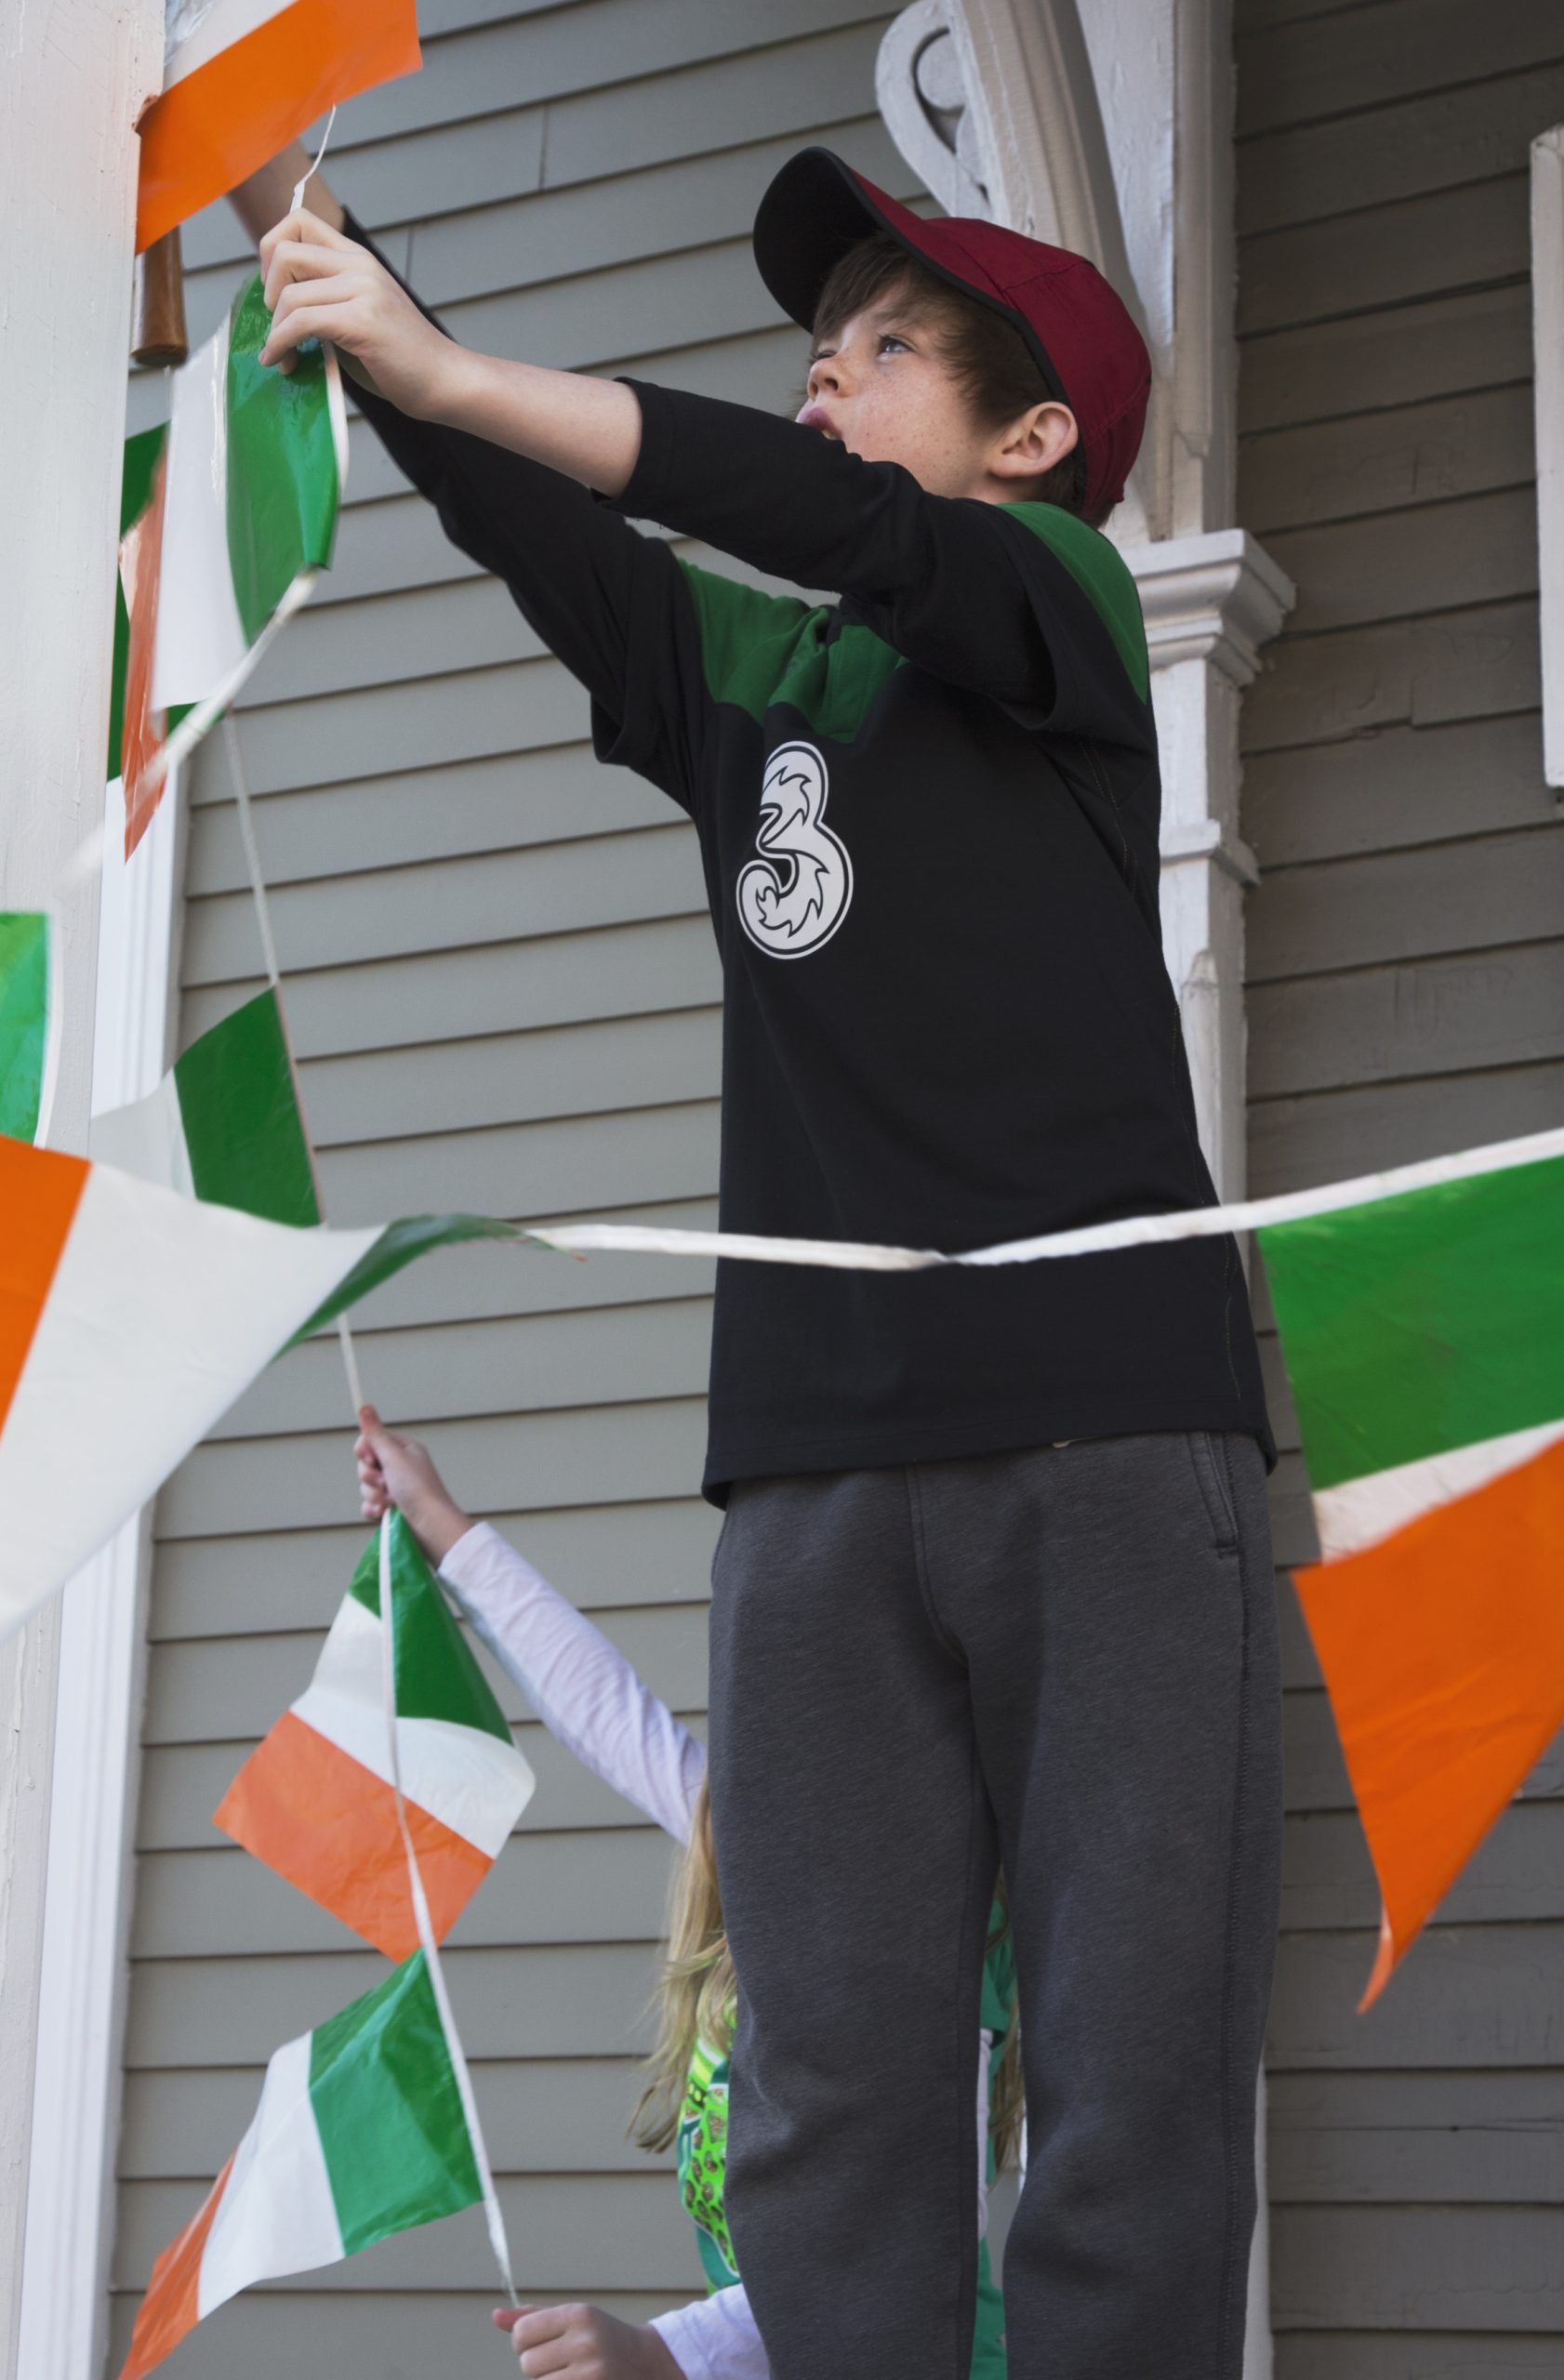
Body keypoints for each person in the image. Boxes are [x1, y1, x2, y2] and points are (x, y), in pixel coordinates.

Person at [229, 140, 1279, 2380]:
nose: (829, 359)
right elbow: (544, 523)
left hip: (1109, 1434)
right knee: (826, 2091)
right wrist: (319, 260)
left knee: (1128, 2074)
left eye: (888, 340)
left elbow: (854, 533)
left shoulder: (1057, 610)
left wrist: (451, 357)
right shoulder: (749, 683)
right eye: (827, 336)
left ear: (1030, 439)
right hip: (812, 1463)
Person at [351, 1407, 1020, 2380]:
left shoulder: (952, 1940)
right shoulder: (755, 1847)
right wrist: (438, 1523)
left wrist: (667, 2351)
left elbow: (895, 2245)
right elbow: (601, 1706)